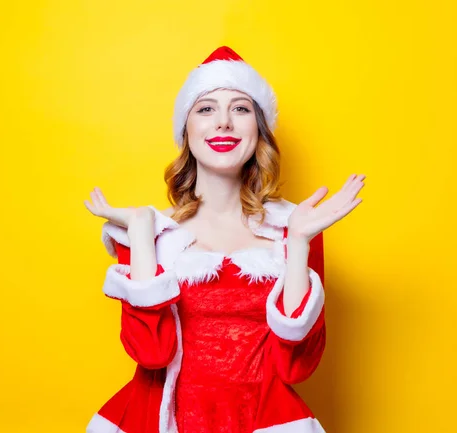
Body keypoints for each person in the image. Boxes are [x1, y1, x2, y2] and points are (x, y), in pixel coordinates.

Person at [83, 46, 365, 433]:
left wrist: (299, 242)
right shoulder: (149, 234)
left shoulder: (295, 228)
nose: (223, 123)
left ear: (258, 129)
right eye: (206, 109)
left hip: (263, 422)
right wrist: (140, 234)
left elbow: (295, 366)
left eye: (241, 108)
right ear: (187, 130)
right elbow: (152, 354)